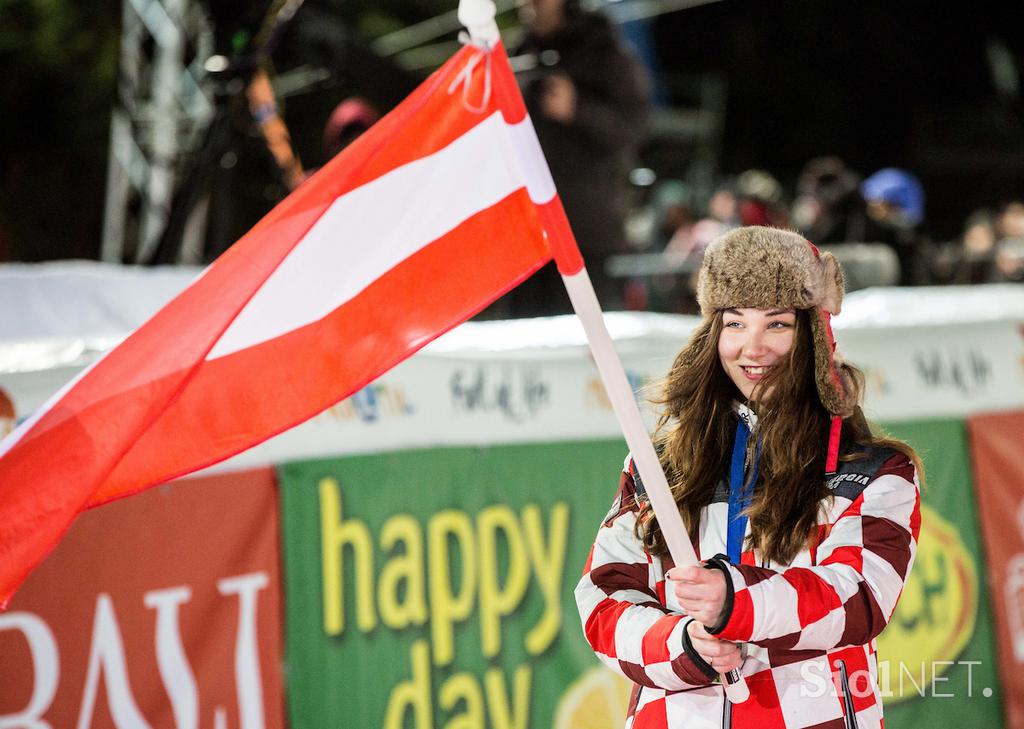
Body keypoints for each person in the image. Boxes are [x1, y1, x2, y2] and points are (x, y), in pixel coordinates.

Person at [575, 226, 923, 728]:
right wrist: (680, 644)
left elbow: (860, 596)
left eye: (777, 324)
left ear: (814, 338)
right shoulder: (660, 467)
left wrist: (735, 601)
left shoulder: (872, 471)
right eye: (734, 323)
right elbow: (605, 595)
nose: (752, 348)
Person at [505, 0, 650, 316]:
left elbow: (634, 129)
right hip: (526, 233)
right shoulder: (518, 51)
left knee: (581, 348)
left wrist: (578, 109)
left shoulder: (603, 49)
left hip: (585, 235)